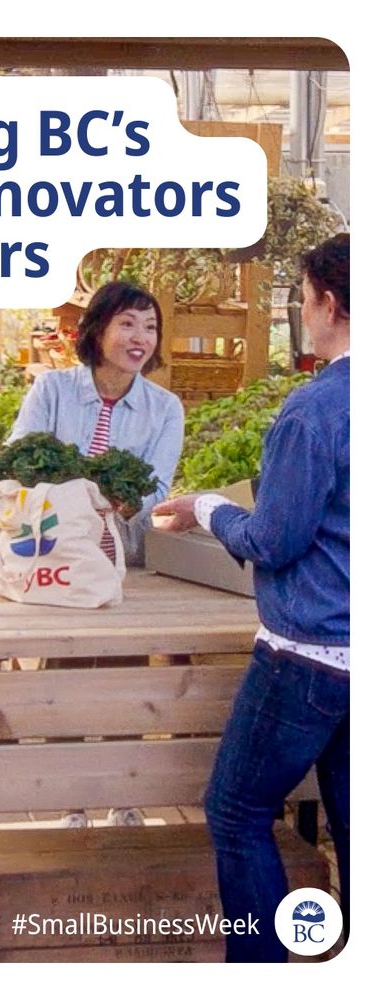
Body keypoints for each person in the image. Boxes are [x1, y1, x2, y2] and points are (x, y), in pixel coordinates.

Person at [152, 233, 350, 961]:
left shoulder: (316, 410)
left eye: (302, 296)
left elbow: (273, 540)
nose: (301, 309)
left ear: (329, 303)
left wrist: (207, 508)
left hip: (308, 658)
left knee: (236, 814)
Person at [8, 280, 185, 566]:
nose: (141, 337)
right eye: (127, 324)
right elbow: (19, 455)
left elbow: (158, 486)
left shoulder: (166, 408)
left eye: (150, 327)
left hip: (123, 557)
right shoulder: (51, 389)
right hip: (47, 549)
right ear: (98, 329)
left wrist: (124, 503)